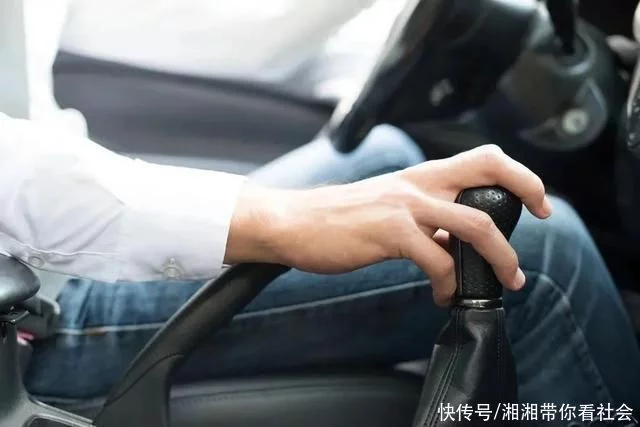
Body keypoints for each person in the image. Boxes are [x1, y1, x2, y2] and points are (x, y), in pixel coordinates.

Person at [0, 113, 638, 415]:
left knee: (385, 147)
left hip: (31, 236)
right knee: (544, 257)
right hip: (34, 316)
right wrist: (279, 220)